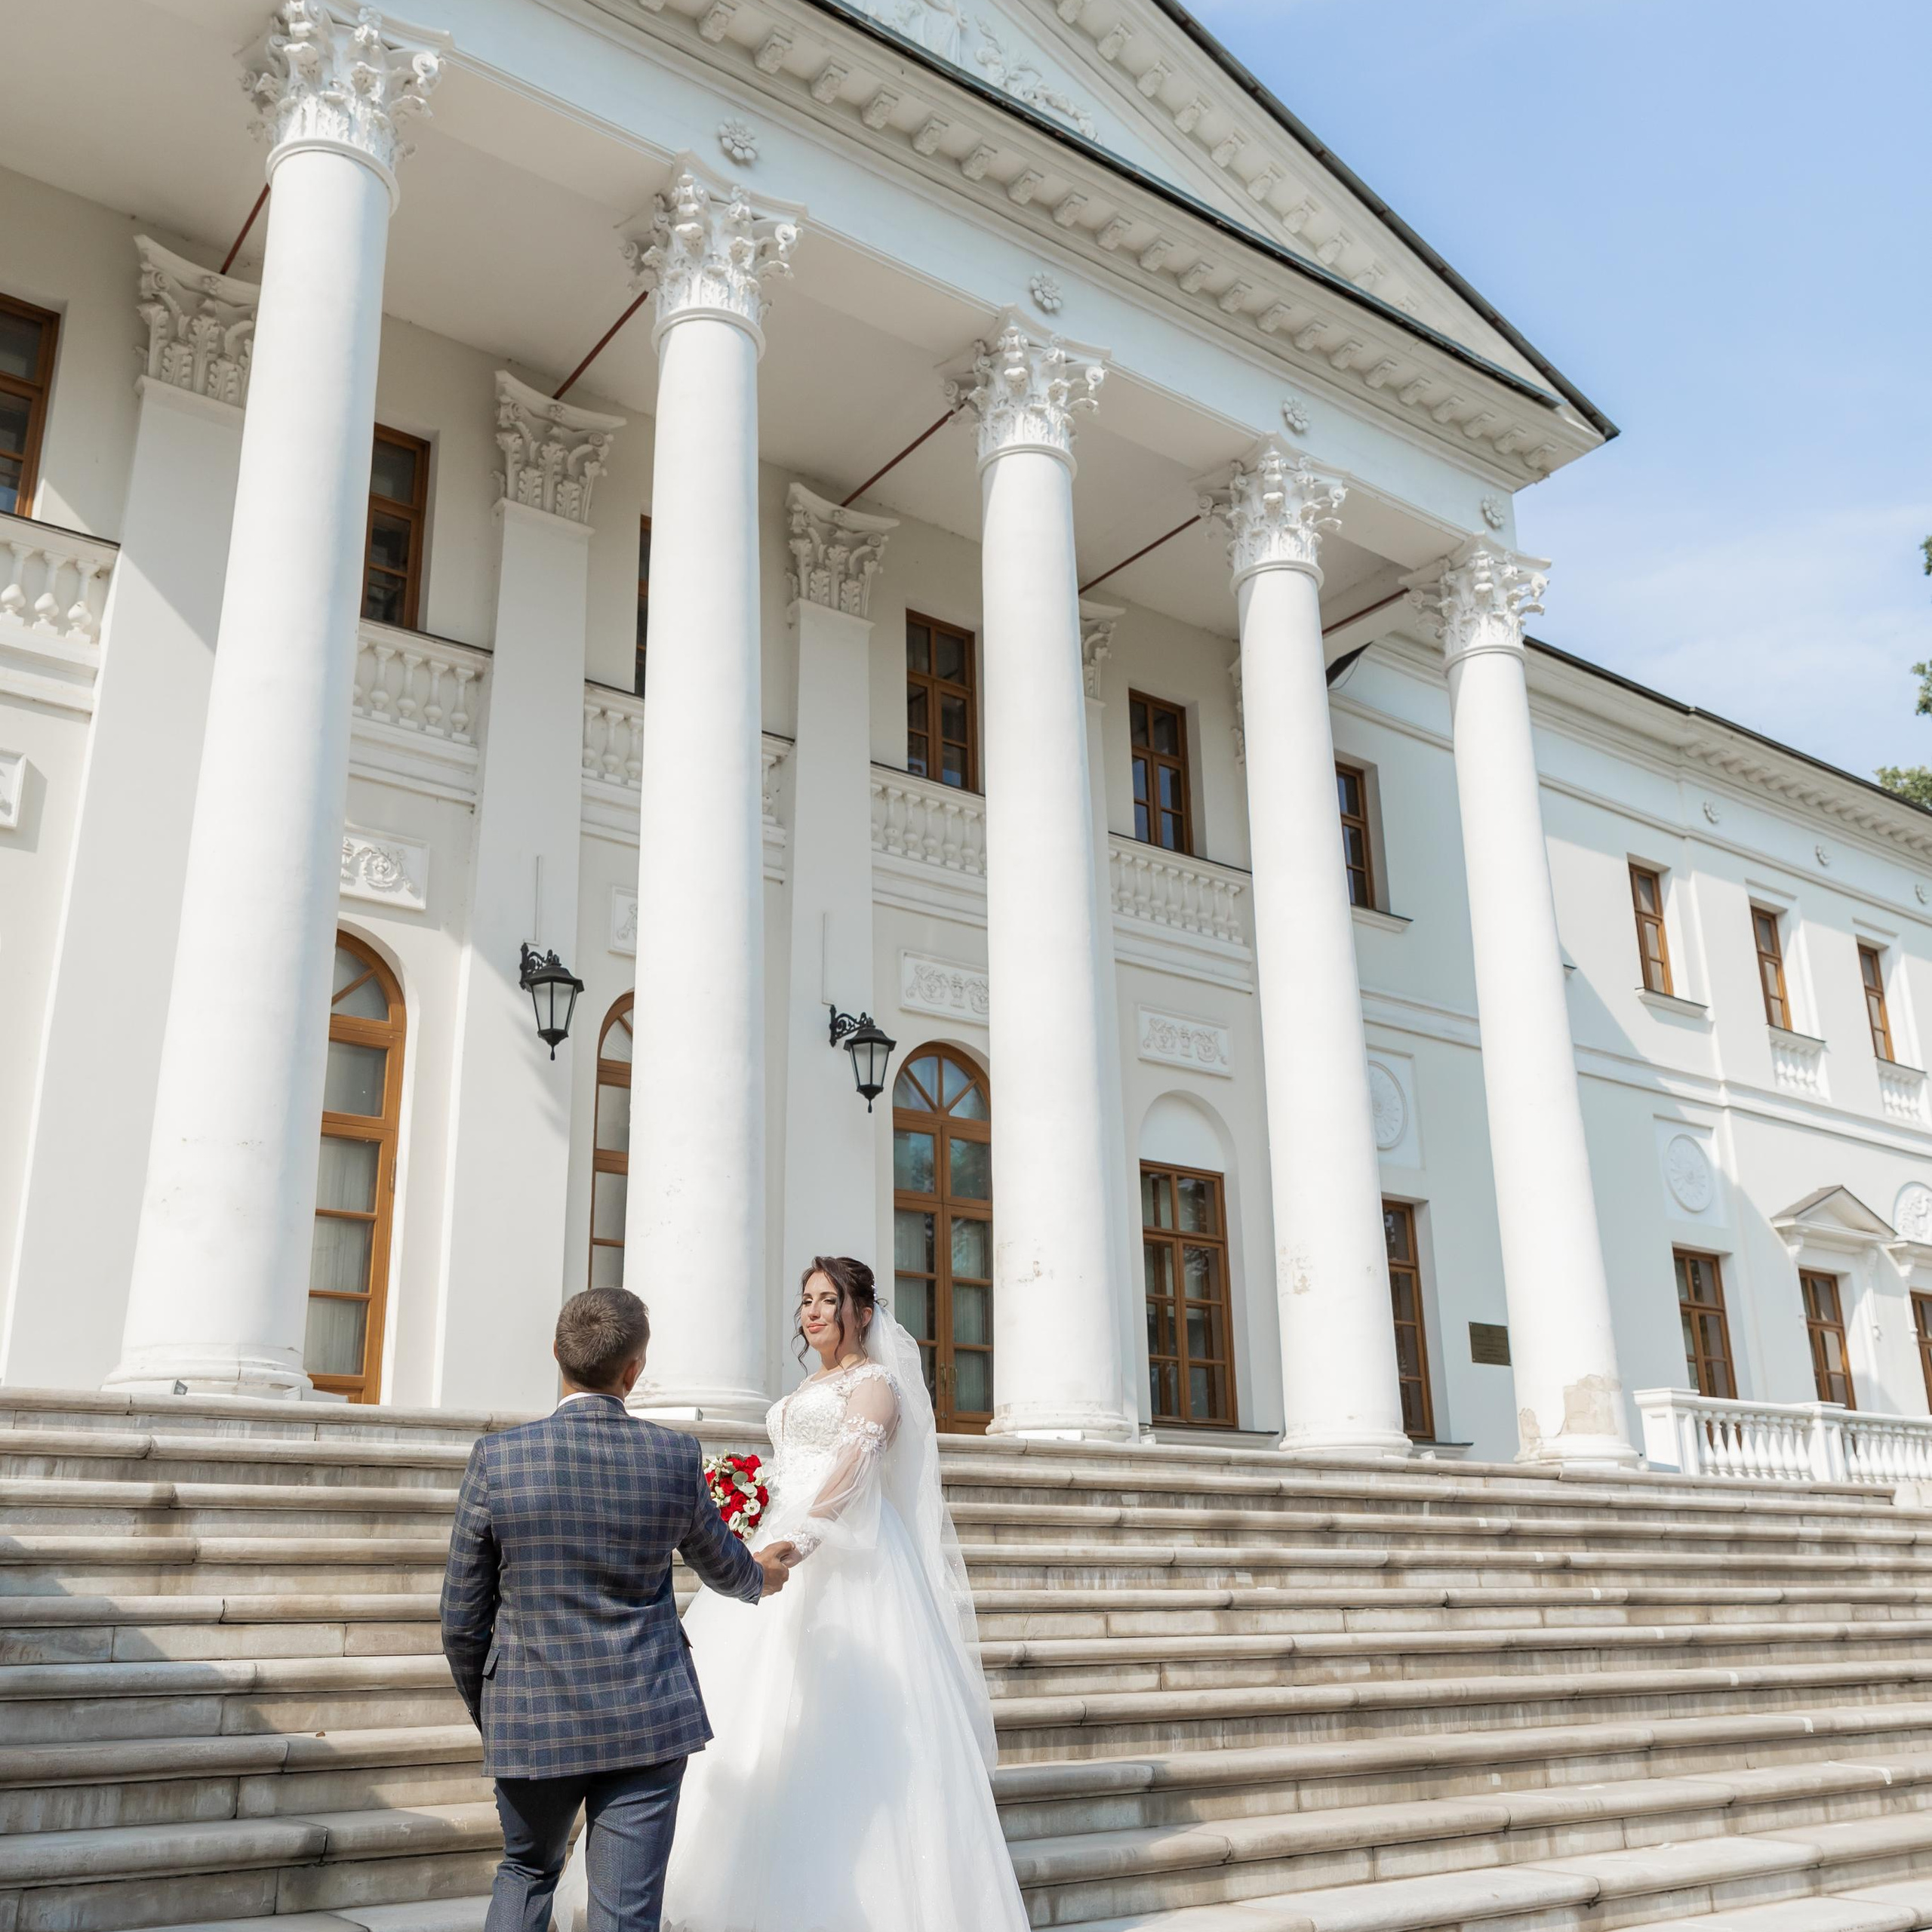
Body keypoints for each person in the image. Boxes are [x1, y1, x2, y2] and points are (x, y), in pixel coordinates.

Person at [557, 1255, 1029, 1932]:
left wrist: (799, 1547)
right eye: (806, 1300)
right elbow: (792, 1466)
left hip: (844, 1562)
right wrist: (741, 1502)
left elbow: (849, 1475)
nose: (810, 1312)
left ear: (860, 1312)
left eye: (826, 1300)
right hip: (772, 1544)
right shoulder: (815, 1384)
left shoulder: (875, 1386)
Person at [440, 1286, 798, 1932]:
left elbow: (462, 1620)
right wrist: (764, 1576)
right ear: (634, 1371)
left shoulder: (497, 1460)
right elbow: (726, 1569)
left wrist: (493, 1708)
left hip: (530, 1713)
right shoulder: (672, 1456)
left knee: (525, 1872)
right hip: (646, 1714)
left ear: (556, 1353)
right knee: (625, 1913)